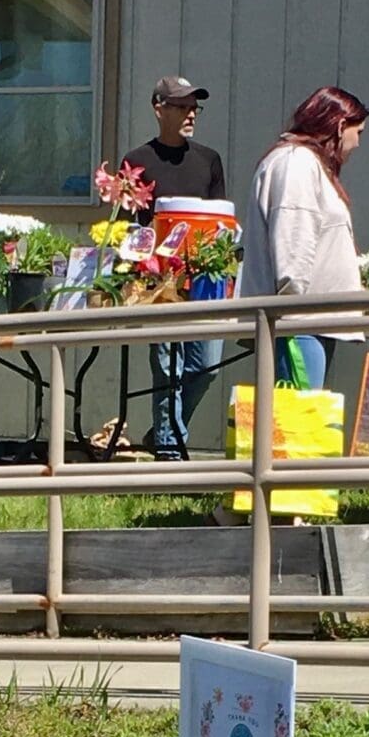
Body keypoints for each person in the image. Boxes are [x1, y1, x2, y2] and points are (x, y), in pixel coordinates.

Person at [121, 76, 226, 460]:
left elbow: (219, 223)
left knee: (207, 366)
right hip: (158, 279)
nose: (191, 113)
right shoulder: (137, 161)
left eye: (194, 107)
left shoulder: (208, 160)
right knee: (167, 367)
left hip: (203, 279)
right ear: (159, 108)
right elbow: (127, 225)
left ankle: (165, 434)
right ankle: (169, 451)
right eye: (182, 106)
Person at [238, 85, 369, 389]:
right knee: (298, 423)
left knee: (303, 421)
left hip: (309, 320)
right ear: (340, 126)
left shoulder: (303, 162)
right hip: (299, 321)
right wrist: (290, 307)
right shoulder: (296, 162)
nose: (358, 144)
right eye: (358, 132)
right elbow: (293, 239)